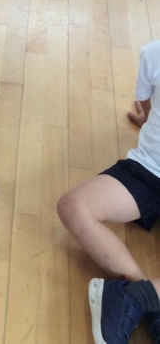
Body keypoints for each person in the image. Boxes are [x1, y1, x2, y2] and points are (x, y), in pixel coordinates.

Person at [57, 40, 160, 344]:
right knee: (74, 206)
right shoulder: (154, 53)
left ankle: (143, 297)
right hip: (150, 169)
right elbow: (148, 102)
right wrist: (146, 119)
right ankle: (146, 300)